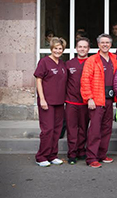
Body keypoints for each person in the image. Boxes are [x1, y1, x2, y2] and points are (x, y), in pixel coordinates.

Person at [81, 34, 117, 168]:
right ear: (98, 45)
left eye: (107, 43)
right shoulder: (92, 60)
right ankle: (91, 157)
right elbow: (85, 80)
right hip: (97, 100)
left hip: (109, 100)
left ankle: (102, 154)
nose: (105, 45)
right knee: (95, 130)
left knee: (107, 129)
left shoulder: (114, 59)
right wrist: (89, 98)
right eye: (102, 43)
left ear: (110, 45)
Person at [34, 37, 68, 167]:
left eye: (60, 49)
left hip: (60, 102)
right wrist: (42, 99)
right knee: (47, 130)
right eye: (56, 48)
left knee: (57, 130)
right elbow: (39, 80)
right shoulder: (44, 62)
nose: (58, 51)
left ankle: (52, 155)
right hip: (47, 102)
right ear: (51, 49)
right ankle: (41, 156)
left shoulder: (62, 64)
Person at [65, 37, 90, 165]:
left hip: (86, 103)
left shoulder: (91, 63)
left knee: (83, 128)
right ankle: (72, 153)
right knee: (72, 128)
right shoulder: (69, 64)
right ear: (76, 48)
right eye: (80, 46)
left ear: (88, 49)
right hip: (71, 102)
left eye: (85, 47)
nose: (82, 49)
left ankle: (81, 151)